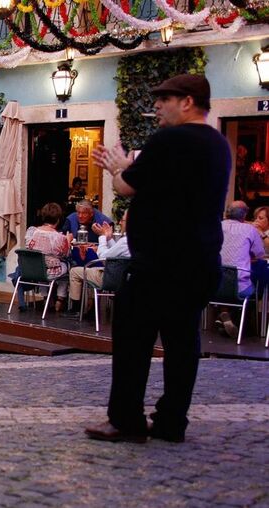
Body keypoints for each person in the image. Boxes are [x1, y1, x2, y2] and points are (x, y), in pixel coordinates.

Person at [88, 74, 231, 443]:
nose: (155, 106)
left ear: (187, 102)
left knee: (133, 341)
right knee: (183, 343)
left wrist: (117, 166)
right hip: (200, 260)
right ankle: (171, 422)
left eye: (163, 99)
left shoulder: (170, 139)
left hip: (160, 263)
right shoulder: (218, 143)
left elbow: (126, 186)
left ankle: (125, 420)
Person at [65, 210, 130, 318]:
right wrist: (109, 238)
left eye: (122, 220)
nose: (120, 223)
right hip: (125, 280)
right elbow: (116, 252)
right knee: (92, 269)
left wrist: (102, 237)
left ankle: (75, 309)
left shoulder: (126, 241)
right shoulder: (137, 241)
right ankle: (90, 306)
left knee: (74, 271)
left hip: (110, 278)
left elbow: (103, 256)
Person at [216, 201, 265, 337]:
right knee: (255, 286)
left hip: (214, 286)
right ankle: (247, 329)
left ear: (227, 213)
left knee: (225, 280)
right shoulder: (250, 230)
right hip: (239, 288)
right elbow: (260, 254)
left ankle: (224, 314)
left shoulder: (217, 226)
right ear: (244, 215)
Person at [23, 202, 72, 312]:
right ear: (58, 219)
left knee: (42, 262)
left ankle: (46, 297)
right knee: (67, 266)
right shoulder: (59, 237)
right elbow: (66, 254)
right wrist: (67, 241)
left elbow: (28, 246)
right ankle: (60, 299)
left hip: (32, 270)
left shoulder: (31, 231)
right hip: (49, 272)